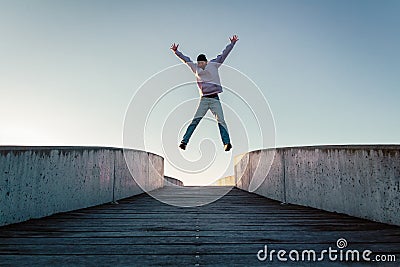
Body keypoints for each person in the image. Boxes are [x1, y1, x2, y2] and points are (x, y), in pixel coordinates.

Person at [170, 35, 238, 152]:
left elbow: (223, 55)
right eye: (199, 63)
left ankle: (226, 143)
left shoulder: (213, 64)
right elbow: (186, 60)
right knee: (195, 120)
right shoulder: (195, 67)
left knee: (221, 120)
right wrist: (176, 52)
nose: (201, 65)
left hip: (215, 99)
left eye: (202, 63)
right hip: (204, 99)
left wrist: (232, 44)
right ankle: (184, 142)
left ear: (206, 61)